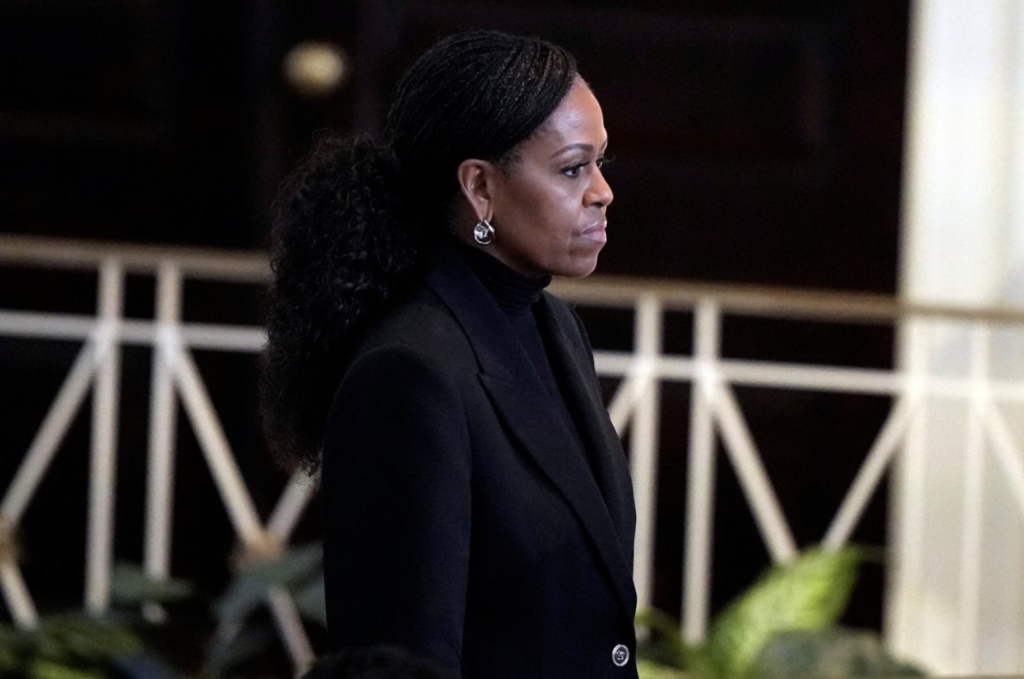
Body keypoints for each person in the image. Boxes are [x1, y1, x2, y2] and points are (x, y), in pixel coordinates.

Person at [261, 30, 638, 679]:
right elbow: (407, 657)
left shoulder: (555, 325)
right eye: (574, 168)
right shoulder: (409, 373)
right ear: (480, 189)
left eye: (601, 163)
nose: (602, 191)